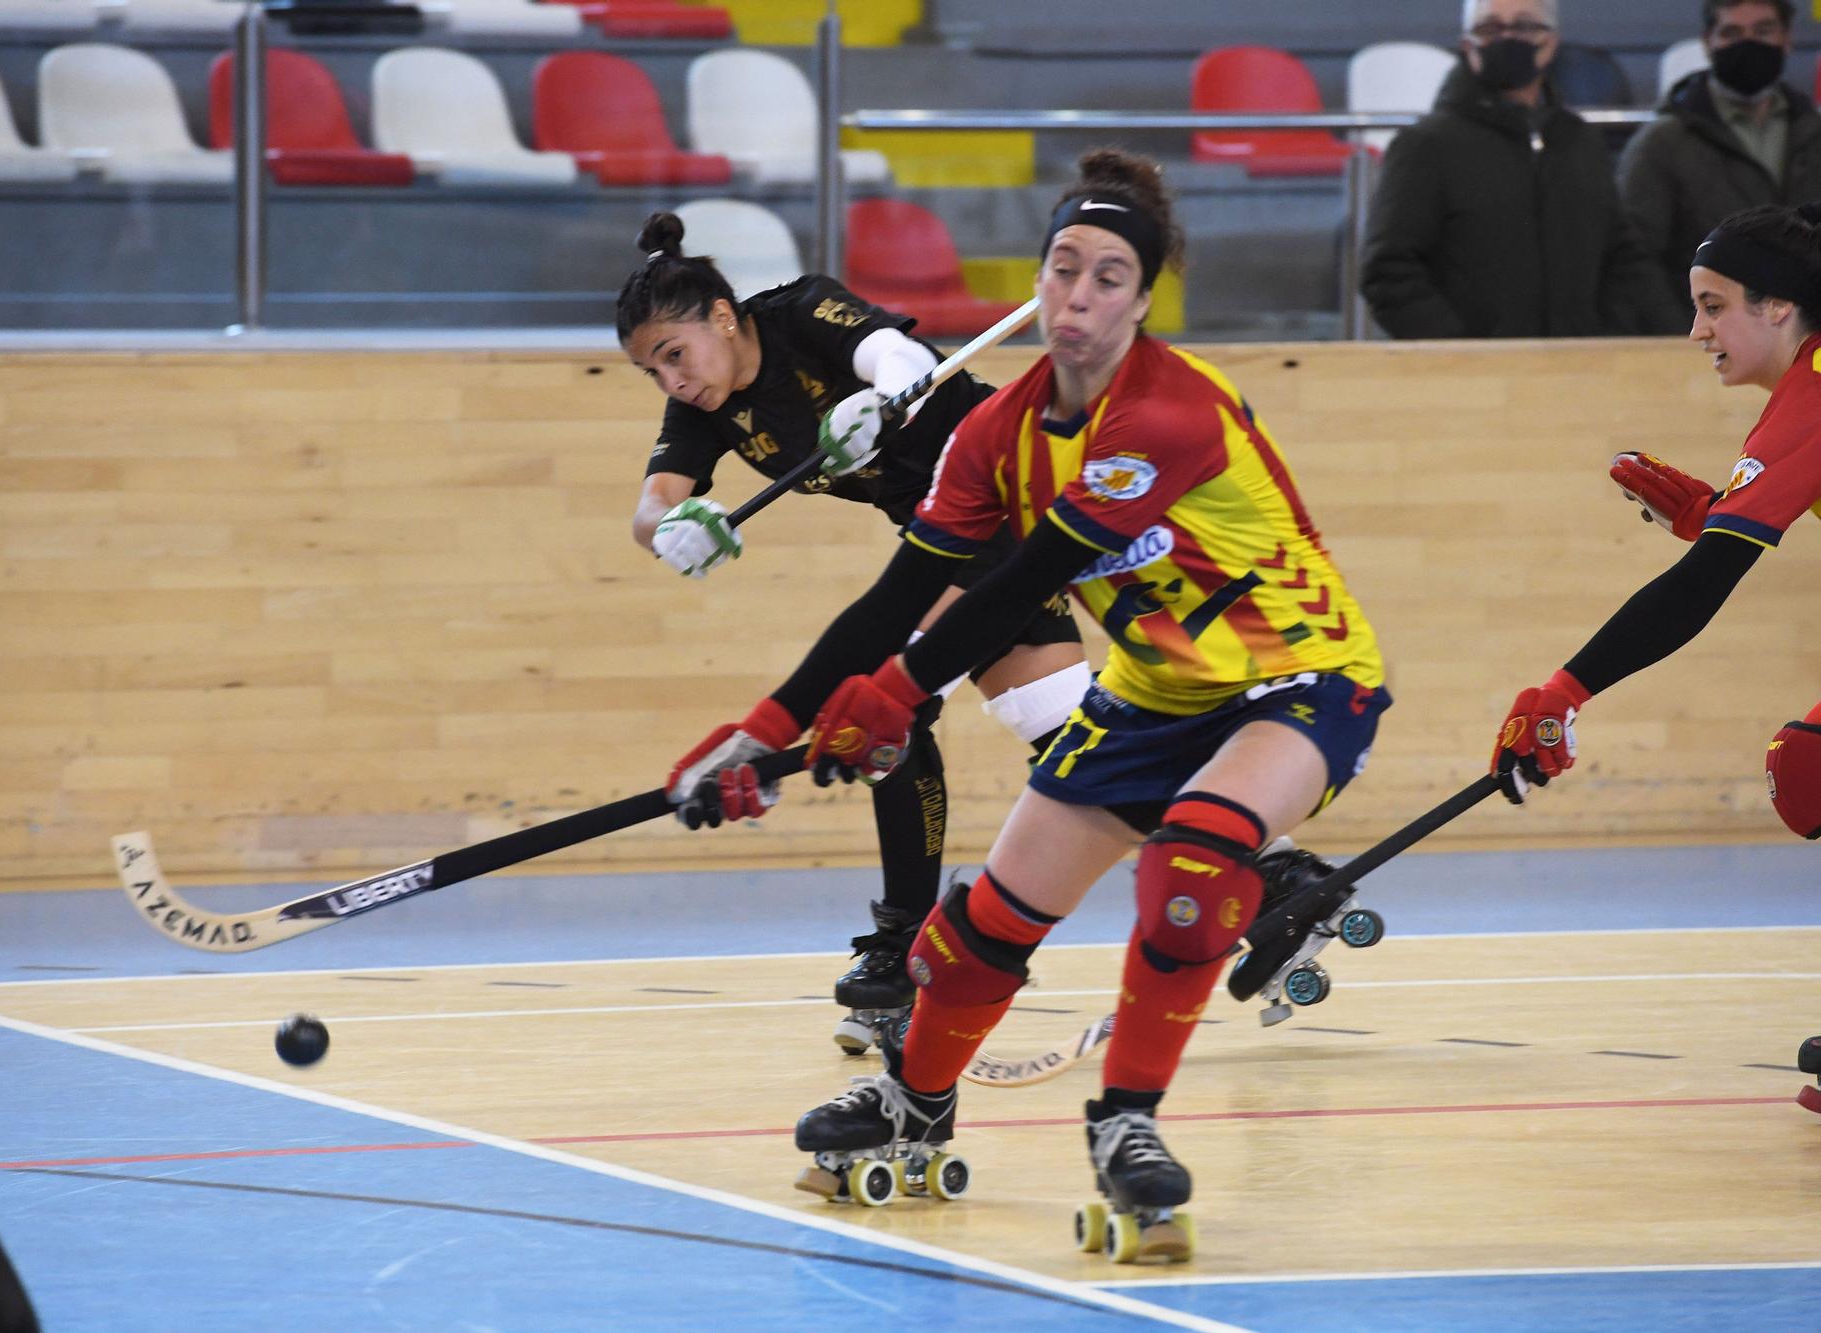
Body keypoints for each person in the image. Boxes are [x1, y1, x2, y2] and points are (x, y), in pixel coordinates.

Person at [667, 149, 1390, 1260]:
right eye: (1062, 270)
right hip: (1151, 694)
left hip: (1296, 679)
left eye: (1107, 278)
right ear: (1037, 286)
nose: (1078, 297)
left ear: (1141, 301)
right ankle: (912, 1106)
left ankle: (1126, 1125)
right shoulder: (993, 432)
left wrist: (898, 694)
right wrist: (757, 734)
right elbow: (900, 593)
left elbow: (1017, 579)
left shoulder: (1170, 411)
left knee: (1192, 860)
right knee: (969, 940)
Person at [617, 212, 1093, 1055]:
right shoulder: (709, 409)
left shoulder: (800, 311)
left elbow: (899, 358)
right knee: (1066, 729)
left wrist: (884, 398)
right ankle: (1264, 867)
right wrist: (672, 525)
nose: (671, 382)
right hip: (936, 535)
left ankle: (908, 938)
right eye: (650, 370)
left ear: (723, 318)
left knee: (884, 707)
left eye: (675, 354)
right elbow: (651, 505)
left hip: (1000, 480)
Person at [1490, 204, 1821, 820]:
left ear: (1777, 304)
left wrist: (1563, 693)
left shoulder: (1812, 398)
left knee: (1808, 772)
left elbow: (1702, 585)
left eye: (1714, 307)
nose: (1697, 331)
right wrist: (1716, 517)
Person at [1360, 0, 1670, 339]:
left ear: (1550, 43)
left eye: (1524, 26)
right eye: (1490, 28)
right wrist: (1461, 355)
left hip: (1578, 374)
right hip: (1472, 381)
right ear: (1468, 46)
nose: (1506, 38)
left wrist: (1605, 337)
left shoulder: (1581, 142)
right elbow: (1387, 271)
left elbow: (1621, 258)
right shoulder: (1426, 146)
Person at [1620, 1, 1821, 331]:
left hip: (1808, 348)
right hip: (1701, 348)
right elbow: (1635, 258)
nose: (1748, 43)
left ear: (1787, 38)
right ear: (1708, 41)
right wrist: (1688, 332)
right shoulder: (1661, 144)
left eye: (1763, 31)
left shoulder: (1812, 133)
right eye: (1732, 32)